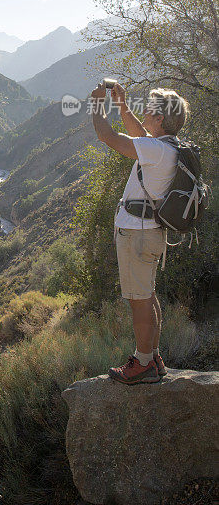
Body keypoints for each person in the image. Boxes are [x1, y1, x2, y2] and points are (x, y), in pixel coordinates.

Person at [90, 82, 189, 384]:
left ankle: (142, 361)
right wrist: (121, 104)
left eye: (150, 109)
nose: (145, 111)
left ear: (160, 120)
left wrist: (97, 105)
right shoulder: (167, 148)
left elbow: (108, 136)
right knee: (148, 295)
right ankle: (153, 356)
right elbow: (138, 134)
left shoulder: (156, 150)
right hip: (150, 232)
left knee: (139, 300)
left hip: (137, 233)